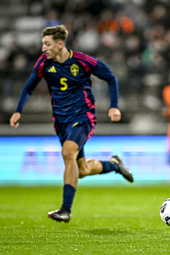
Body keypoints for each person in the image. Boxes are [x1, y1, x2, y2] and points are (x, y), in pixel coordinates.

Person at [9, 25, 134, 223]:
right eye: (43, 44)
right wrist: (18, 111)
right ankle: (114, 165)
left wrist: (114, 106)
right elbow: (28, 87)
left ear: (60, 44)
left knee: (68, 152)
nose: (43, 49)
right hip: (60, 122)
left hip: (83, 117)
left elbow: (110, 77)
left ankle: (65, 210)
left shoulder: (83, 61)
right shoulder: (43, 63)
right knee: (81, 170)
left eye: (47, 44)